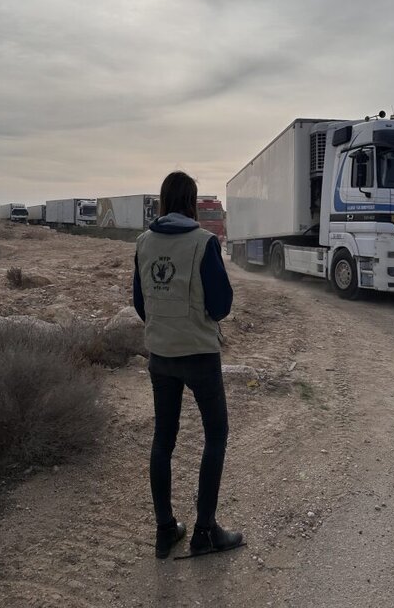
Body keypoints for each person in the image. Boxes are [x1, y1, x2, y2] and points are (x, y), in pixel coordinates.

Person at [133, 171, 243, 559]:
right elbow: (222, 306)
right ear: (193, 202)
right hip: (199, 355)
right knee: (215, 436)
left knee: (164, 439)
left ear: (163, 202)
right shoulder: (204, 243)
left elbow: (140, 302)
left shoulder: (144, 243)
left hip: (160, 356)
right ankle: (205, 532)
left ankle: (166, 531)